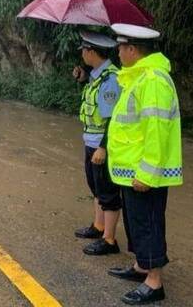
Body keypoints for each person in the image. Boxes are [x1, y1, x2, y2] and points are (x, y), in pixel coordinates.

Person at [106, 23, 183, 305]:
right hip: (131, 171)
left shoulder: (152, 80)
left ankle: (154, 282)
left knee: (148, 223)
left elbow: (157, 130)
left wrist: (147, 173)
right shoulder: (137, 78)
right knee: (137, 222)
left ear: (132, 49)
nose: (118, 53)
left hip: (143, 172)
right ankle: (141, 266)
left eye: (120, 48)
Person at [72, 31, 123, 256]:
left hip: (103, 145)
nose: (82, 54)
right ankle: (98, 226)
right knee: (96, 186)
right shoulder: (96, 76)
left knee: (108, 192)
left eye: (84, 50)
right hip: (91, 141)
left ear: (91, 52)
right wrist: (81, 79)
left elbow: (113, 118)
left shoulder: (111, 79)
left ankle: (109, 240)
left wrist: (103, 147)